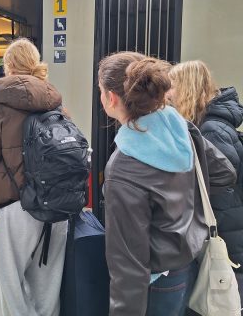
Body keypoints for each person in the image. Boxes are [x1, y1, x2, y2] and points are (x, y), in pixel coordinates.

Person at [98, 51, 236, 316]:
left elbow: (129, 265)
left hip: (156, 280)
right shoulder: (180, 128)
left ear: (111, 98)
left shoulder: (123, 167)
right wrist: (187, 210)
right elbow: (224, 173)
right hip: (189, 262)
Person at [0, 38, 68, 316]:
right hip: (56, 211)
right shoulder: (55, 103)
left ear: (8, 66)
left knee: (8, 291)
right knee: (47, 292)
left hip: (15, 212)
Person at [168, 60, 243, 271]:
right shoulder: (214, 124)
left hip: (226, 235)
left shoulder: (211, 130)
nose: (168, 94)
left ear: (186, 88)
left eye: (171, 86)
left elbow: (221, 192)